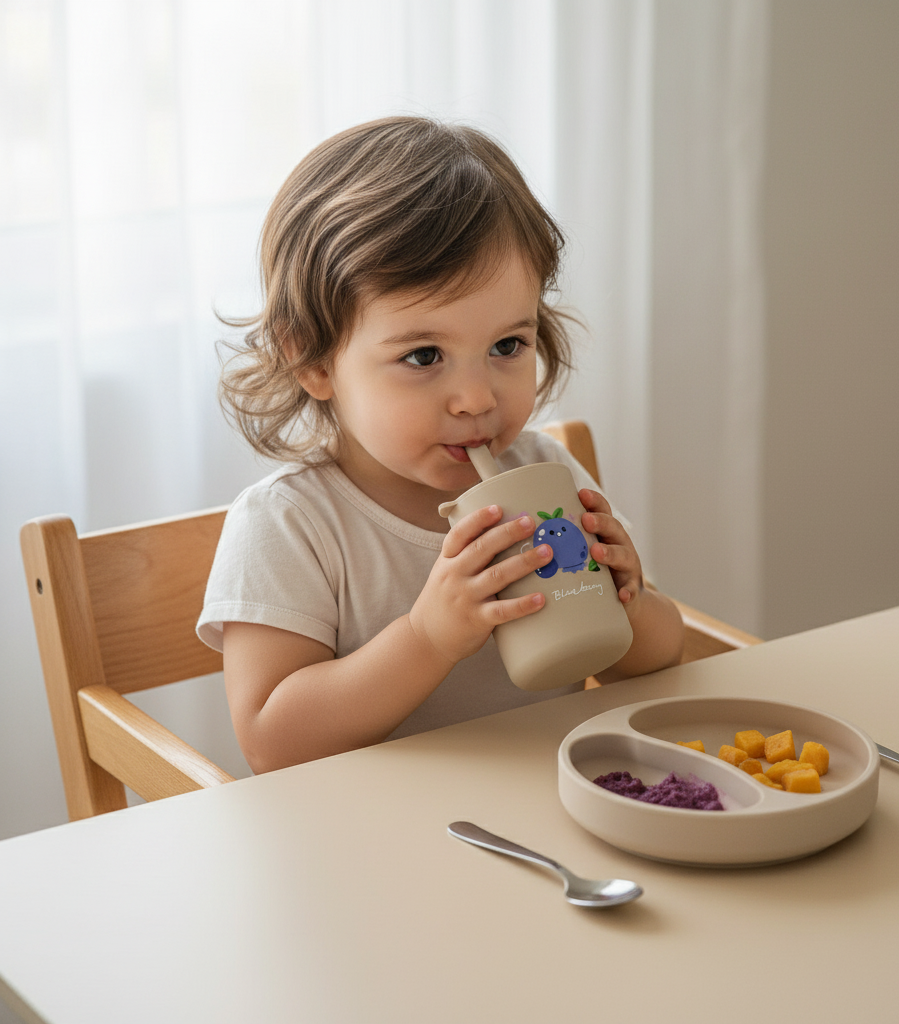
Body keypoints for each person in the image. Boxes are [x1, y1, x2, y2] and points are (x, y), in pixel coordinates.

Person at [197, 116, 685, 773]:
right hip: (375, 840)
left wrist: (634, 602)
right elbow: (273, 743)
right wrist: (427, 638)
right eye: (425, 355)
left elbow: (653, 663)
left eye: (507, 346)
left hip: (550, 802)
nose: (478, 398)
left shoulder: (545, 476)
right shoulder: (290, 526)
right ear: (312, 360)